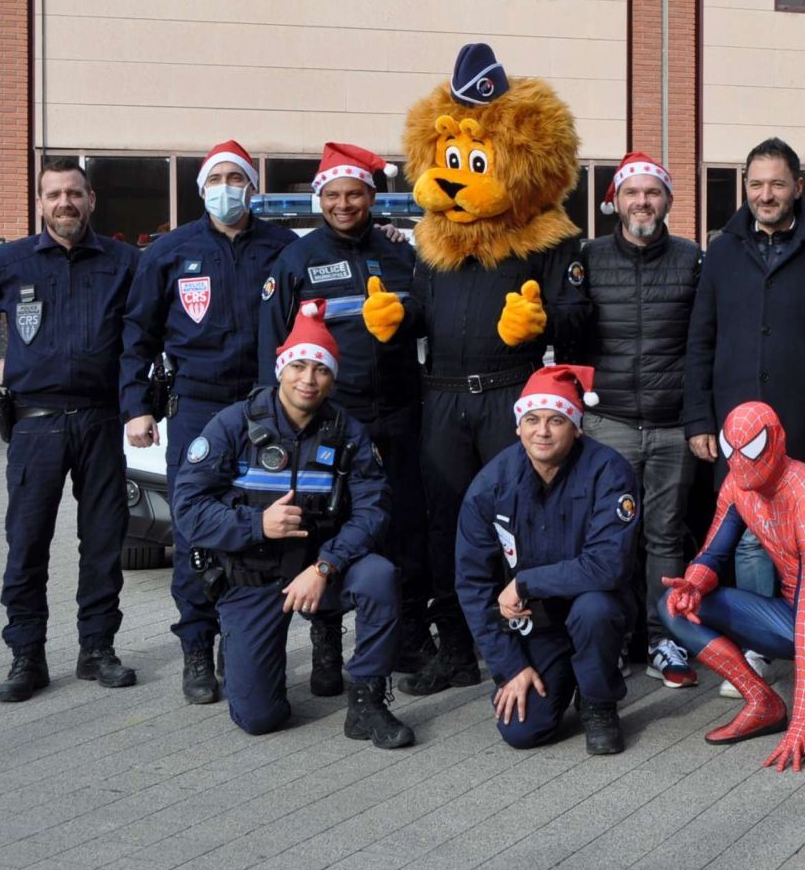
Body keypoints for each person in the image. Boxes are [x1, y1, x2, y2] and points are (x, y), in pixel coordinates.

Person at [371, 46, 593, 698]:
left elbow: (579, 315)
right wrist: (395, 319)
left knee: (520, 524)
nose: (455, 181)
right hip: (441, 398)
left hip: (511, 397)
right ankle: (457, 648)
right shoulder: (432, 243)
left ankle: (534, 640)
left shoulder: (549, 237)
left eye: (476, 164)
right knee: (447, 524)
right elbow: (422, 312)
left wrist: (541, 322)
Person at [0, 160, 141, 703]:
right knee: (27, 545)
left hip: (101, 420)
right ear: (41, 203)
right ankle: (27, 656)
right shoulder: (12, 262)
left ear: (91, 200)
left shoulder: (123, 263)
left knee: (102, 544)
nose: (65, 203)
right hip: (36, 425)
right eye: (54, 195)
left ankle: (97, 649)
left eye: (74, 193)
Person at [171, 300, 415, 747]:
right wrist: (256, 524)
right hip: (254, 574)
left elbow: (372, 510)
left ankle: (367, 703)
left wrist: (326, 566)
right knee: (259, 717)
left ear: (333, 376)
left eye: (321, 369)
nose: (309, 379)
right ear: (281, 369)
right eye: (299, 366)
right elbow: (188, 508)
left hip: (322, 569)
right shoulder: (233, 425)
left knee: (379, 576)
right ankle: (248, 647)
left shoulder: (346, 431)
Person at [682, 138, 805, 689]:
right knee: (746, 535)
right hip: (737, 433)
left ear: (798, 187)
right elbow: (701, 341)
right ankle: (761, 642)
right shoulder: (722, 251)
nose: (766, 194)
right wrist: (697, 419)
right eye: (756, 184)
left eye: (777, 184)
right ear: (745, 187)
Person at [120, 140, 297, 705]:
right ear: (202, 189)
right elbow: (137, 336)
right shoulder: (170, 252)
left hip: (267, 406)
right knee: (195, 526)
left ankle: (242, 641)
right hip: (196, 405)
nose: (227, 187)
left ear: (251, 187)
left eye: (237, 178)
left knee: (264, 522)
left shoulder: (282, 247)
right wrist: (136, 406)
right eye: (216, 178)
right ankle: (197, 647)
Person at [259, 143, 431, 692]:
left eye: (353, 193)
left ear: (372, 197)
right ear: (319, 199)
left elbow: (426, 322)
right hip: (334, 419)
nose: (343, 204)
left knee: (402, 526)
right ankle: (328, 647)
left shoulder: (401, 251)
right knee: (326, 529)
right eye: (332, 195)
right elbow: (274, 347)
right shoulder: (296, 259)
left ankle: (402, 638)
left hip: (402, 412)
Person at [659, 402, 805, 771]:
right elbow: (713, 554)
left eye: (751, 448)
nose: (739, 461)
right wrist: (695, 582)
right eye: (730, 449)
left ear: (777, 442)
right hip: (792, 613)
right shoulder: (737, 484)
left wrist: (803, 722)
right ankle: (762, 701)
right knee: (676, 602)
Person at [454, 366, 638, 754]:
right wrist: (509, 668)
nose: (543, 431)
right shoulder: (490, 485)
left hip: (594, 607)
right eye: (532, 420)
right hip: (533, 623)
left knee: (594, 610)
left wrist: (524, 583)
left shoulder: (610, 471)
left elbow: (608, 564)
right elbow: (473, 584)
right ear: (518, 427)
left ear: (577, 427)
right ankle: (566, 671)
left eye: (557, 420)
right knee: (522, 732)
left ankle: (598, 702)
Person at [577, 152, 704, 689]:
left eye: (653, 193)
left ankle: (664, 638)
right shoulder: (588, 258)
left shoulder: (691, 259)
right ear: (616, 201)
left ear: (668, 202)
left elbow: (705, 341)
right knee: (610, 536)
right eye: (633, 193)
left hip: (673, 423)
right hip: (609, 422)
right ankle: (613, 638)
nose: (642, 202)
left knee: (666, 537)